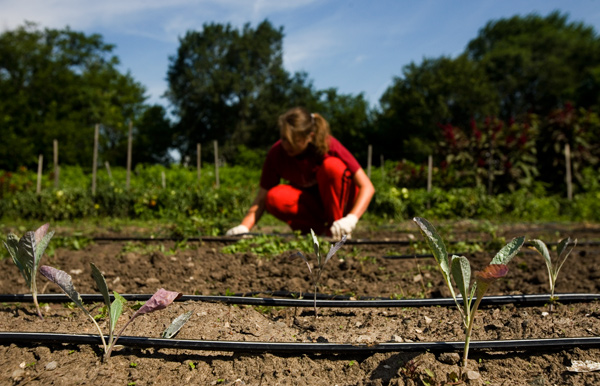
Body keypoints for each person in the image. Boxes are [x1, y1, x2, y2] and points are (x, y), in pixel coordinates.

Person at [225, 106, 375, 239]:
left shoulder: (328, 145)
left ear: (309, 136)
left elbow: (367, 187)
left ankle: (338, 230)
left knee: (332, 167)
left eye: (293, 140)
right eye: (283, 138)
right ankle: (318, 231)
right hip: (311, 206)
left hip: (340, 205)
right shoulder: (277, 153)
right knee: (274, 197)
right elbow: (261, 198)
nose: (286, 145)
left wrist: (351, 219)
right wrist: (244, 227)